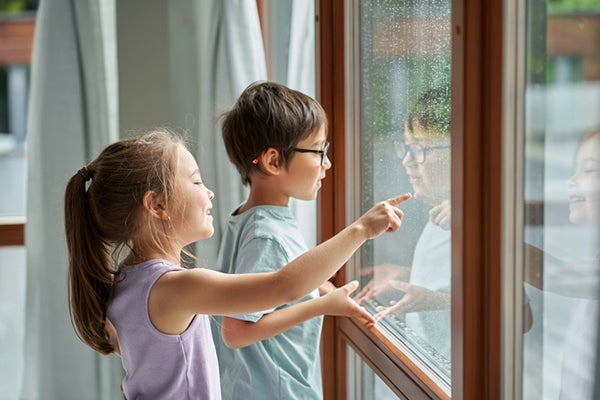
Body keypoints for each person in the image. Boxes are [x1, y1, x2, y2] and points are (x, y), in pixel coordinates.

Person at [64, 127, 411, 399]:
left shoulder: (125, 281)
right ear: (157, 206)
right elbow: (282, 286)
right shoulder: (174, 287)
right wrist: (361, 229)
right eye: (197, 181)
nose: (209, 192)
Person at [209, 81, 409, 399]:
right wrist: (320, 305)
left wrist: (319, 290)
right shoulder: (266, 235)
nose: (327, 163)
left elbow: (276, 289)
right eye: (319, 151)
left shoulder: (250, 218)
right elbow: (236, 331)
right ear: (273, 161)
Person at [355, 87, 452, 364]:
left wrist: (435, 300)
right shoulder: (440, 216)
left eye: (419, 149)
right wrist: (406, 276)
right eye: (406, 148)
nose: (407, 161)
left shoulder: (471, 224)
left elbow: (519, 316)